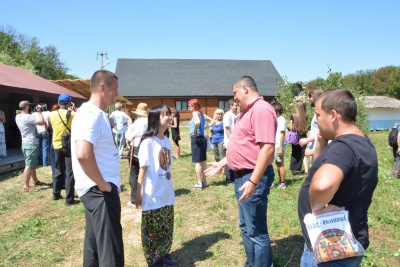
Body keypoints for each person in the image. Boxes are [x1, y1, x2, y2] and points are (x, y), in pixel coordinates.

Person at [298, 88, 378, 266]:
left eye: (318, 115)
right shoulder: (363, 142)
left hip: (328, 250)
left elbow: (321, 185)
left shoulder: (343, 148)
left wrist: (316, 208)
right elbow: (320, 168)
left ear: (333, 115)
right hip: (345, 241)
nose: (316, 120)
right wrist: (321, 140)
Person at [205, 76, 277, 267]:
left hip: (252, 176)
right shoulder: (248, 112)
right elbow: (244, 146)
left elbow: (267, 148)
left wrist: (253, 181)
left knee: (256, 230)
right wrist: (222, 163)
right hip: (242, 176)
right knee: (246, 226)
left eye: (235, 92)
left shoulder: (261, 110)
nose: (234, 97)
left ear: (244, 88)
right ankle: (252, 263)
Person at [71, 70, 124, 266]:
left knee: (94, 248)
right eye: (115, 89)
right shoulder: (90, 114)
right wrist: (103, 185)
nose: (116, 94)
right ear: (103, 87)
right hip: (100, 192)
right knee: (111, 252)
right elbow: (83, 153)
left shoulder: (95, 114)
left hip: (96, 190)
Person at [135, 104, 178, 267]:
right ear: (155, 119)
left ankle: (164, 253)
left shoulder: (166, 140)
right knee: (152, 230)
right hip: (152, 194)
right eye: (165, 114)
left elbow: (167, 166)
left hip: (166, 192)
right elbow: (143, 169)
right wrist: (138, 193)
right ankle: (153, 259)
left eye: (169, 114)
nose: (169, 117)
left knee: (166, 227)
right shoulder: (148, 142)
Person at [49, 94, 79, 205]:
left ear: (58, 102)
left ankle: (56, 194)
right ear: (69, 103)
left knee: (58, 170)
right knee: (70, 172)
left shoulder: (52, 115)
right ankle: (69, 198)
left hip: (56, 145)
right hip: (69, 145)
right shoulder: (73, 114)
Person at [15, 101, 45, 192]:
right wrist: (39, 112)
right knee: (29, 165)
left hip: (25, 143)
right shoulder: (28, 117)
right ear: (27, 106)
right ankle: (26, 186)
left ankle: (35, 180)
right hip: (31, 143)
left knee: (32, 163)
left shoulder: (18, 116)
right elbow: (42, 122)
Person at [125, 102, 149, 206]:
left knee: (134, 174)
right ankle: (147, 194)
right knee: (147, 173)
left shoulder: (136, 124)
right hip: (149, 149)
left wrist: (129, 126)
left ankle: (134, 198)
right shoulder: (152, 122)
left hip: (137, 150)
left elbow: (128, 136)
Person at [189, 99, 213, 190]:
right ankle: (204, 181)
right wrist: (206, 127)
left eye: (190, 105)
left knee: (197, 162)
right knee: (203, 161)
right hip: (202, 138)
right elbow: (212, 121)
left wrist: (195, 131)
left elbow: (197, 122)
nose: (189, 107)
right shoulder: (203, 114)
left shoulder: (195, 113)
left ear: (193, 106)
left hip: (196, 138)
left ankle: (199, 183)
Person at [298, 87, 324, 164]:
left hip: (319, 153)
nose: (308, 99)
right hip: (316, 152)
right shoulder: (317, 112)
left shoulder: (322, 112)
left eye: (309, 96)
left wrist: (307, 141)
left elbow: (324, 134)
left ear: (314, 96)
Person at [289, 102, 308, 175]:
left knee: (294, 153)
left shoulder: (293, 115)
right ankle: (306, 170)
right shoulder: (305, 116)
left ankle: (292, 171)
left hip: (295, 136)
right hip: (303, 135)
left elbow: (291, 127)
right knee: (303, 153)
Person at [271, 102, 287, 189]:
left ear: (276, 110)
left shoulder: (281, 120)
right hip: (276, 145)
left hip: (278, 146)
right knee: (278, 164)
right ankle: (280, 181)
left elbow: (282, 134)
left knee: (280, 164)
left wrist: (280, 148)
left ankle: (283, 183)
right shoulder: (277, 119)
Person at [223, 99, 238, 184]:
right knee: (229, 160)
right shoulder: (227, 115)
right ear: (231, 105)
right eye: (235, 105)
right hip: (229, 141)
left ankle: (234, 177)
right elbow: (227, 128)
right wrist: (231, 139)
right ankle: (229, 179)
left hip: (234, 141)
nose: (237, 107)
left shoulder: (234, 115)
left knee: (234, 159)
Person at [209, 109, 225, 176]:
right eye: (218, 114)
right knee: (216, 157)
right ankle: (219, 168)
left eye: (221, 114)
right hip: (214, 140)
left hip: (221, 140)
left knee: (222, 156)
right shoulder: (213, 122)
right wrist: (210, 128)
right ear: (215, 114)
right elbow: (211, 132)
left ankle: (223, 171)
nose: (220, 115)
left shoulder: (223, 122)